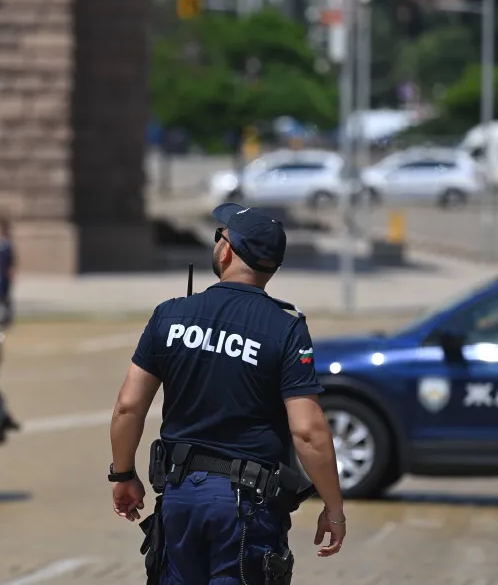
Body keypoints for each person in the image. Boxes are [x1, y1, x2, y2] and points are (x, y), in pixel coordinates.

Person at [108, 202, 346, 584]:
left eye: (220, 235)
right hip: (246, 508)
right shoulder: (285, 329)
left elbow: (128, 406)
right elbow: (308, 431)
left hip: (180, 497)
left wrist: (122, 475)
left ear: (228, 249)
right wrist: (333, 507)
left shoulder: (170, 315)